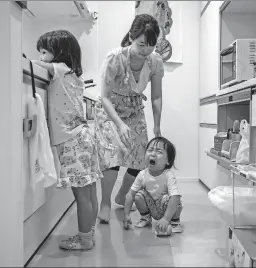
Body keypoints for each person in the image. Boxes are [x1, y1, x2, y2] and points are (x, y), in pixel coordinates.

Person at [32, 30, 102, 251]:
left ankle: (84, 240)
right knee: (90, 193)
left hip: (72, 141)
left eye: (44, 52)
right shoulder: (75, 76)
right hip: (83, 137)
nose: (41, 57)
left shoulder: (60, 70)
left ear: (59, 53)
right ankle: (89, 234)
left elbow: (37, 66)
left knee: (80, 196)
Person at [95, 14, 165, 223]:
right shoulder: (115, 58)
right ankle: (105, 203)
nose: (146, 50)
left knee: (140, 157)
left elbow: (157, 96)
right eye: (142, 44)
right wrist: (119, 124)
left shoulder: (155, 61)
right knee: (113, 155)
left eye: (151, 46)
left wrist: (157, 126)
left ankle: (122, 195)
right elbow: (104, 97)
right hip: (110, 111)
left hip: (134, 109)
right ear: (131, 37)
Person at [123, 137, 183, 234]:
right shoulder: (142, 174)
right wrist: (126, 215)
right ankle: (145, 218)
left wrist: (166, 219)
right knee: (139, 195)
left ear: (167, 161)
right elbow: (130, 194)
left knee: (174, 198)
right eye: (150, 150)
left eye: (159, 152)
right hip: (152, 206)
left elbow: (175, 197)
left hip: (168, 209)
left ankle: (174, 222)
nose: (153, 154)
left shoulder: (168, 175)